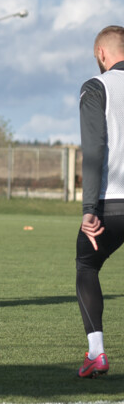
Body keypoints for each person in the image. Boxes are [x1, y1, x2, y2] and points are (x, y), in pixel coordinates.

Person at [75, 25, 124, 378]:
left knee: (87, 267)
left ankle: (97, 353)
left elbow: (94, 150)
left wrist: (89, 210)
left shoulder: (97, 87)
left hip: (112, 203)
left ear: (102, 54)